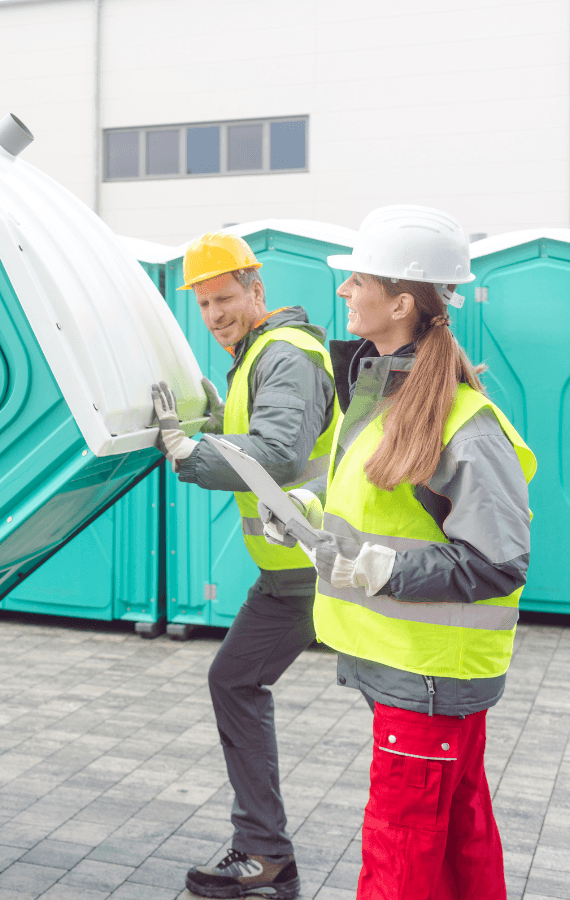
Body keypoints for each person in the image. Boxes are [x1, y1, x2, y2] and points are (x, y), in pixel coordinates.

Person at [260, 205, 535, 900]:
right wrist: (304, 511)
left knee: (401, 852)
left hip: (432, 676)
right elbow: (368, 498)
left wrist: (387, 570)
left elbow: (499, 561)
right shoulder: (383, 393)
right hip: (410, 670)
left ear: (402, 302)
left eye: (358, 280)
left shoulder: (464, 425)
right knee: (459, 839)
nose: (344, 290)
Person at [150, 231, 338, 900]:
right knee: (233, 680)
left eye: (224, 299)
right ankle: (265, 854)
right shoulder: (259, 354)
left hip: (313, 566)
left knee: (238, 680)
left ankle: (265, 852)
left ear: (257, 291)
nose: (214, 315)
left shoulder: (283, 354)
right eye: (203, 304)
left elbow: (280, 454)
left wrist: (190, 453)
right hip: (293, 571)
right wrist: (215, 417)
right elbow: (263, 435)